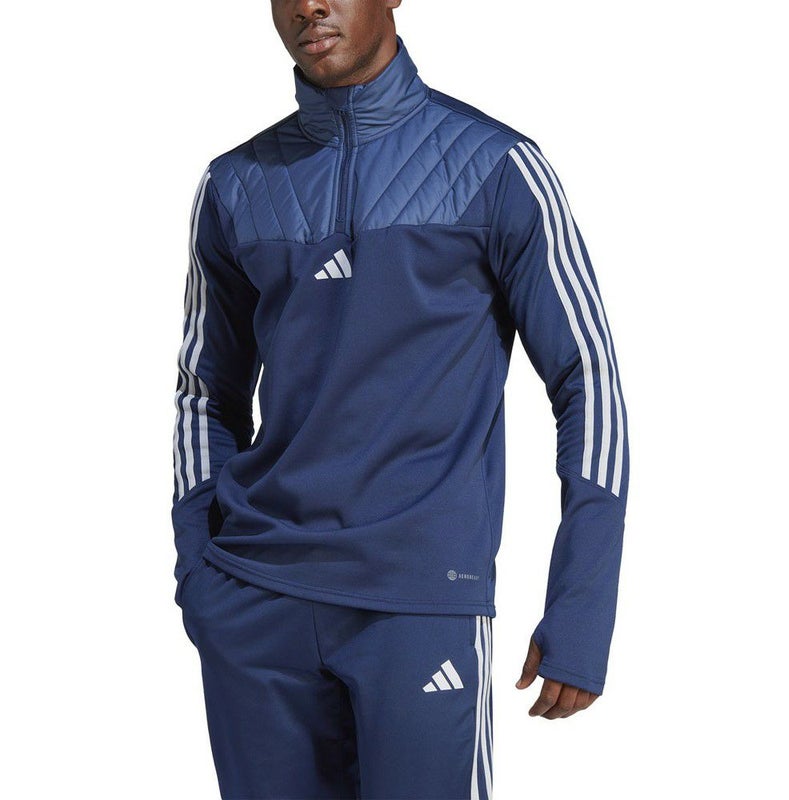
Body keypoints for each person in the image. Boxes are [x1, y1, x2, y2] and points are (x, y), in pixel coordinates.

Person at [171, 1, 630, 797]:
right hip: (254, 602)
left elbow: (586, 380)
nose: (309, 5)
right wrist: (199, 571)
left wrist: (582, 608)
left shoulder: (496, 166)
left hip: (419, 601)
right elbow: (204, 391)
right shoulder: (236, 184)